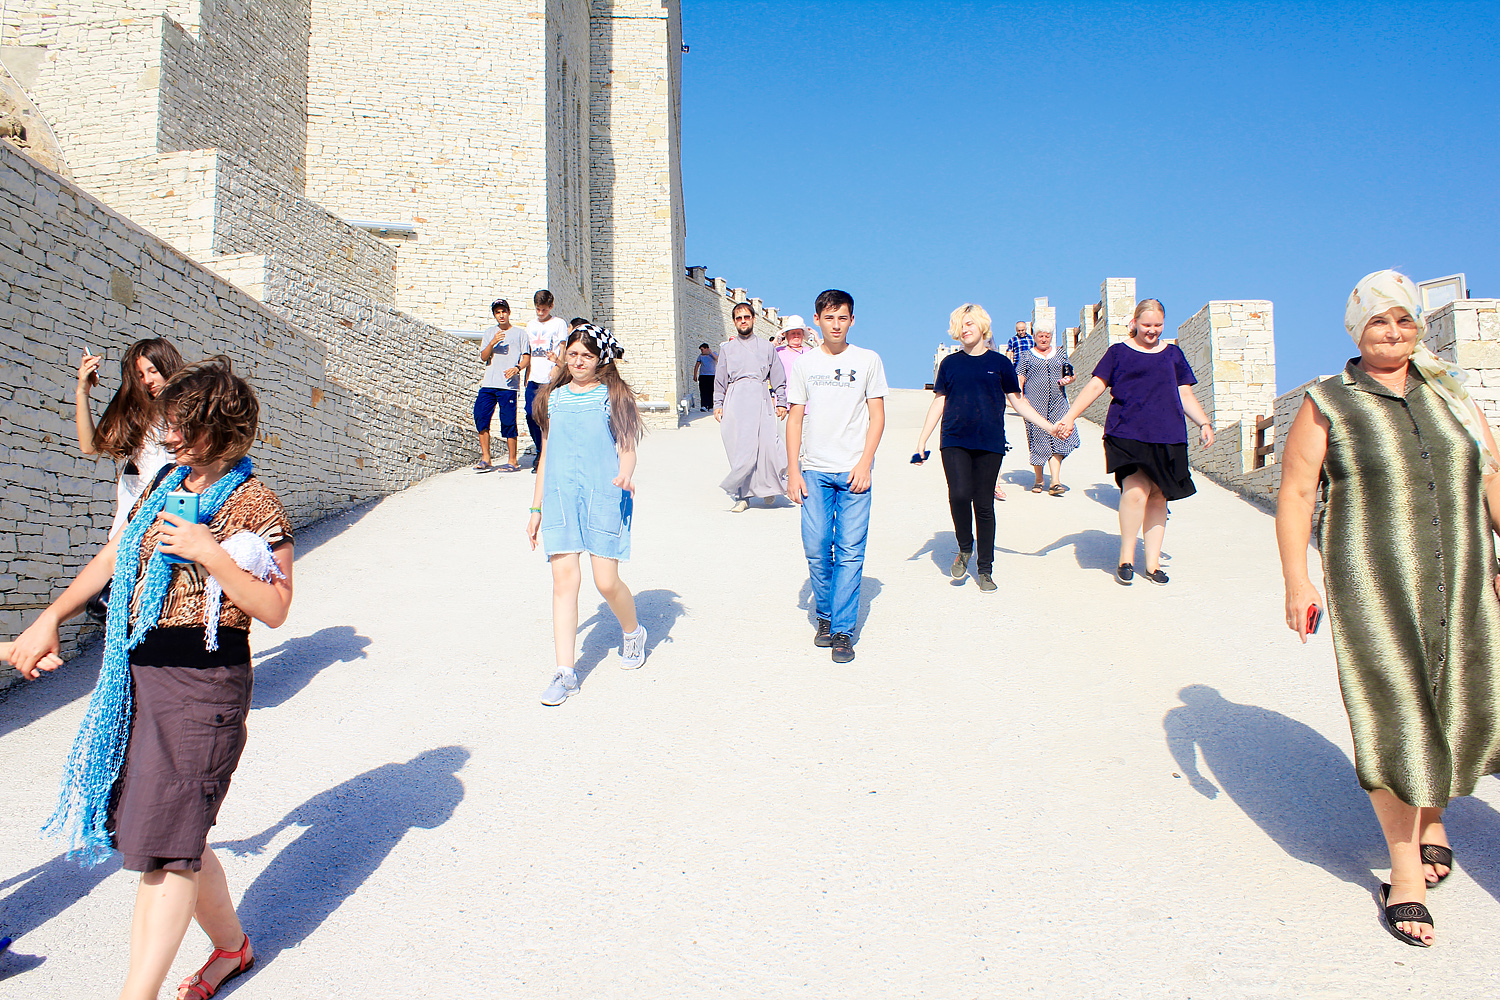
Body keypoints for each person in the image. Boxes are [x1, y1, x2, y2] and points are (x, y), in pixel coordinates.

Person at [4, 356, 294, 1000]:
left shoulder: (257, 501)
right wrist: (51, 616)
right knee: (171, 831)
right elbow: (116, 553)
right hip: (140, 678)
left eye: (184, 426)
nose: (170, 436)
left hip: (204, 687)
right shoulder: (166, 483)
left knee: (167, 847)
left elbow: (275, 608)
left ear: (222, 428)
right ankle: (232, 949)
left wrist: (211, 553)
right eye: (169, 424)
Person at [1276, 269, 1500, 948]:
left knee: (1454, 704)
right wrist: (1297, 581)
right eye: (1379, 320)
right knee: (1393, 714)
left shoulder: (1451, 393)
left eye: (1405, 320)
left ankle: (1431, 819)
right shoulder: (1328, 402)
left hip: (1464, 577)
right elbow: (1296, 494)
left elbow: (1490, 474)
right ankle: (1403, 874)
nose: (1394, 333)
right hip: (1372, 583)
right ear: (1357, 329)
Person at [526, 324, 647, 705]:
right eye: (574, 354)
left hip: (603, 493)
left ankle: (633, 632)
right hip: (561, 496)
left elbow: (627, 447)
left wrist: (625, 474)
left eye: (587, 356)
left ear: (600, 360)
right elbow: (546, 456)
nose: (578, 362)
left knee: (606, 582)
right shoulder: (552, 398)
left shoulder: (613, 396)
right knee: (564, 581)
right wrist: (535, 508)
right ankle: (565, 672)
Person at [1054, 299, 1213, 585]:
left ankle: (1152, 564)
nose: (1152, 330)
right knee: (1136, 491)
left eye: (1158, 325)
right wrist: (1070, 416)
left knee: (1158, 496)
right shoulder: (1118, 352)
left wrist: (1203, 423)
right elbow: (1096, 385)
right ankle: (1126, 558)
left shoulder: (1173, 355)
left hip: (1169, 435)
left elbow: (1185, 394)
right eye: (1146, 325)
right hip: (1127, 432)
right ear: (1134, 323)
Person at [914, 304, 1057, 592]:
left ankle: (985, 569)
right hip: (954, 439)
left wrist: (1049, 426)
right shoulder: (950, 364)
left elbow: (1018, 401)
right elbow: (939, 401)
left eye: (969, 323)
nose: (964, 329)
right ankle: (965, 546)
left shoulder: (1000, 363)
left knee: (983, 503)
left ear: (982, 326)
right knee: (959, 495)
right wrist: (922, 441)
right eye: (960, 325)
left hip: (989, 442)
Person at [786, 289, 887, 663]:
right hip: (814, 470)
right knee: (816, 546)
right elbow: (794, 418)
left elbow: (877, 416)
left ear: (852, 320)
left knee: (849, 550)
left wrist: (865, 463)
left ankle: (843, 629)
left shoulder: (868, 360)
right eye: (829, 318)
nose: (836, 324)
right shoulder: (805, 364)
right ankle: (825, 614)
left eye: (842, 318)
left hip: (854, 472)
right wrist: (793, 470)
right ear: (817, 320)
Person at [76, 338, 184, 538]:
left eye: (153, 371)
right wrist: (82, 391)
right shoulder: (137, 417)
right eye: (140, 375)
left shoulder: (190, 418)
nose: (148, 380)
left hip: (167, 534)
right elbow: (90, 446)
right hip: (127, 534)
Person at [715, 302, 788, 511]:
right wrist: (718, 404)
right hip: (736, 399)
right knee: (741, 449)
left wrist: (781, 402)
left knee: (768, 446)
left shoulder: (767, 347)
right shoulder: (727, 349)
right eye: (739, 318)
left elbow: (778, 377)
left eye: (746, 317)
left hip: (761, 396)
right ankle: (742, 496)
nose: (743, 321)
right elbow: (720, 380)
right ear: (734, 322)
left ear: (753, 319)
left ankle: (768, 488)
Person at [1017, 324, 1080, 495]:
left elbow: (1071, 373)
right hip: (1034, 405)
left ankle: (1055, 481)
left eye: (1047, 336)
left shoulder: (1060, 353)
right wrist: (1021, 398)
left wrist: (1069, 379)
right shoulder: (1026, 356)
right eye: (1041, 336)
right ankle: (1039, 479)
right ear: (1034, 337)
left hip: (1058, 403)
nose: (1044, 339)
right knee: (1037, 439)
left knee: (1060, 436)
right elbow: (1020, 378)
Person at [473, 299, 529, 472]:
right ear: (494, 315)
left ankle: (513, 461)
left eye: (503, 311)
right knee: (480, 416)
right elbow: (483, 357)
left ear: (509, 312)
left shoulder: (520, 334)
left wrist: (517, 368)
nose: (501, 315)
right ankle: (486, 459)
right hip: (489, 383)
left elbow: (526, 357)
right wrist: (492, 343)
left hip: (508, 386)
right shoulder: (490, 332)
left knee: (508, 421)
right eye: (497, 312)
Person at [524, 290, 569, 474]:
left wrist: (557, 368)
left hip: (550, 378)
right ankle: (540, 450)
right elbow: (528, 351)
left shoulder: (559, 323)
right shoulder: (531, 325)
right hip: (534, 377)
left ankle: (547, 455)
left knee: (548, 417)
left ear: (551, 306)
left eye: (544, 309)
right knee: (530, 414)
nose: (541, 313)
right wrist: (526, 376)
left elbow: (562, 348)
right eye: (538, 309)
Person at [775, 316, 817, 395]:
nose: (796, 336)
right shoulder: (778, 352)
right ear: (786, 335)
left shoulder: (809, 352)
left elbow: (826, 358)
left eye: (799, 333)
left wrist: (817, 339)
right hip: (783, 396)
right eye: (793, 333)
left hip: (805, 396)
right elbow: (761, 357)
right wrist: (774, 343)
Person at [693, 343, 717, 411]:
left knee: (711, 391)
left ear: (707, 349)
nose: (702, 351)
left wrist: (711, 352)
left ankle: (711, 406)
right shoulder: (700, 356)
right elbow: (697, 365)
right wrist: (695, 375)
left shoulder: (713, 354)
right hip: (703, 376)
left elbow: (718, 359)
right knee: (703, 391)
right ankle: (704, 405)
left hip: (712, 376)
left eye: (702, 349)